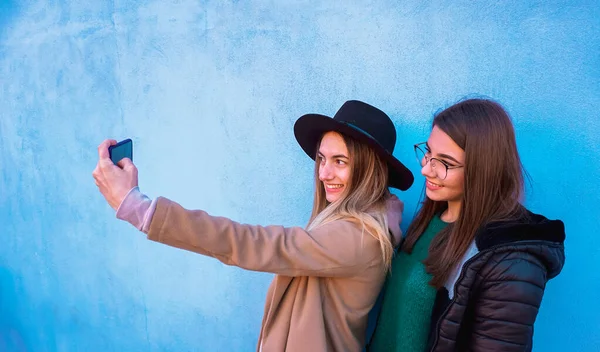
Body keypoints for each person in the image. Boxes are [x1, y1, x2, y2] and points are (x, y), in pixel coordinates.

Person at [93, 100, 415, 352]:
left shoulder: (361, 236)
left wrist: (138, 208)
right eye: (321, 159)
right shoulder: (347, 220)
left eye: (340, 161)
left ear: (369, 167)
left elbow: (256, 243)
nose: (323, 174)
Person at [367, 98, 566, 351]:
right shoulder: (432, 218)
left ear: (483, 169)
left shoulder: (511, 261)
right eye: (428, 152)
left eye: (446, 163)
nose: (426, 169)